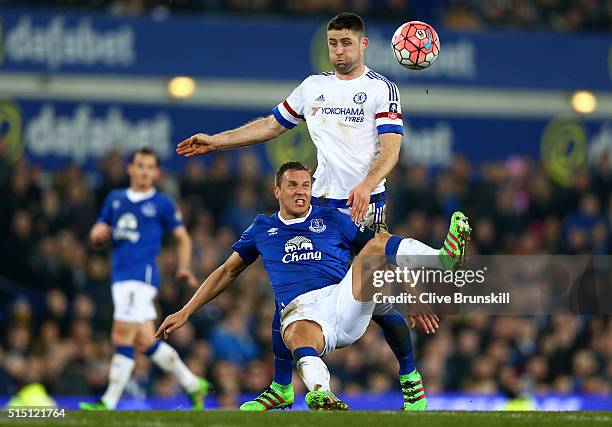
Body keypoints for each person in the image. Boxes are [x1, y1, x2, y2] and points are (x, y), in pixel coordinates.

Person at [175, 12, 436, 411]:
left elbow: (392, 150)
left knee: (378, 300)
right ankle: (282, 387)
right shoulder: (313, 87)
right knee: (290, 295)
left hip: (362, 207)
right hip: (319, 206)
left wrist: (365, 185)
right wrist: (216, 142)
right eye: (333, 43)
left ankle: (410, 378)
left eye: (346, 42)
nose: (339, 50)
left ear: (363, 45)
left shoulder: (382, 89)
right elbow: (270, 125)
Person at [156, 162, 471, 410]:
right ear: (277, 190)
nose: (300, 191)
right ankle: (320, 394)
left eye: (306, 185)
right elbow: (226, 272)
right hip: (305, 316)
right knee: (291, 326)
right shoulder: (262, 228)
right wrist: (185, 311)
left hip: (343, 302)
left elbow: (380, 250)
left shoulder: (332, 219)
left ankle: (440, 261)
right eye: (292, 185)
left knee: (378, 248)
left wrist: (413, 292)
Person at [79, 148, 208, 410]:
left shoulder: (162, 203)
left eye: (150, 167)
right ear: (130, 169)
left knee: (121, 334)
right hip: (120, 277)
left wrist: (183, 266)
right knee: (145, 341)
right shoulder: (115, 199)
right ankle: (193, 383)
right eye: (140, 165)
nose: (145, 171)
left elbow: (182, 237)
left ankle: (108, 401)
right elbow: (98, 230)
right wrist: (97, 235)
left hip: (141, 276)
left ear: (157, 173)